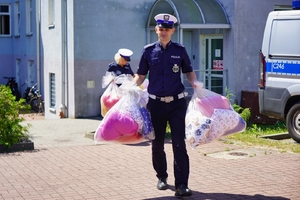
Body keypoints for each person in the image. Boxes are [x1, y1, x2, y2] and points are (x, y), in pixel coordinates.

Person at [133, 13, 197, 197]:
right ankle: (162, 177)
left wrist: (195, 84)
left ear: (173, 30)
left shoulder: (180, 50)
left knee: (179, 144)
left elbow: (189, 72)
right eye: (161, 28)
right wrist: (130, 87)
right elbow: (141, 76)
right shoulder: (148, 51)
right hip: (156, 104)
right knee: (157, 144)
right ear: (156, 30)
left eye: (167, 29)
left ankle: (182, 185)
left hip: (177, 103)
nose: (164, 32)